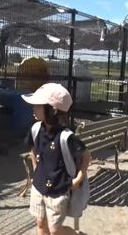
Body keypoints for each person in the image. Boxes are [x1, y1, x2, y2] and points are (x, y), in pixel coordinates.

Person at [22, 83, 91, 235]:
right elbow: (32, 147)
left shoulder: (66, 137)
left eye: (38, 105)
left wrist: (78, 179)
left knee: (55, 230)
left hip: (58, 191)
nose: (34, 108)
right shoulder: (36, 129)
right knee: (40, 224)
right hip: (39, 187)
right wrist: (36, 169)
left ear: (51, 110)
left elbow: (86, 155)